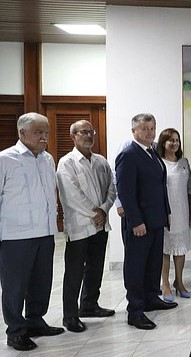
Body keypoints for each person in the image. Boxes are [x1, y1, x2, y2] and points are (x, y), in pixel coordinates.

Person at [0, 113, 64, 351]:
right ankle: (15, 331)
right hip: (15, 236)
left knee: (41, 282)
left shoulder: (47, 159)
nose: (44, 137)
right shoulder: (5, 159)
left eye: (46, 132)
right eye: (38, 132)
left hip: (45, 231)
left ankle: (36, 320)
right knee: (15, 286)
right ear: (22, 133)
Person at [116, 113, 177, 331]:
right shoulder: (129, 154)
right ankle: (135, 310)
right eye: (145, 129)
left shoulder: (152, 153)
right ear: (134, 131)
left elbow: (160, 187)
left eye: (152, 129)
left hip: (156, 220)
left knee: (153, 264)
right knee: (136, 266)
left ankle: (151, 298)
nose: (150, 133)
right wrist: (136, 221)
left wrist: (166, 211)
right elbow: (125, 192)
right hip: (139, 224)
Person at [57, 120, 117, 333]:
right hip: (80, 227)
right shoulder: (67, 163)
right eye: (83, 132)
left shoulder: (101, 161)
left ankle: (89, 305)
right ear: (73, 136)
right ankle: (70, 316)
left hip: (100, 226)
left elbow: (112, 188)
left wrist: (104, 209)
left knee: (95, 268)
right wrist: (96, 213)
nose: (89, 135)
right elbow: (71, 195)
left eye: (91, 131)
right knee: (74, 272)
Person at [157, 128, 191, 301]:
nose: (174, 143)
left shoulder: (184, 162)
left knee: (180, 249)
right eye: (170, 140)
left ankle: (179, 282)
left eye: (177, 140)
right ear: (163, 143)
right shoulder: (158, 162)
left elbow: (190, 189)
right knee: (165, 250)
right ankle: (165, 284)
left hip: (182, 212)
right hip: (166, 212)